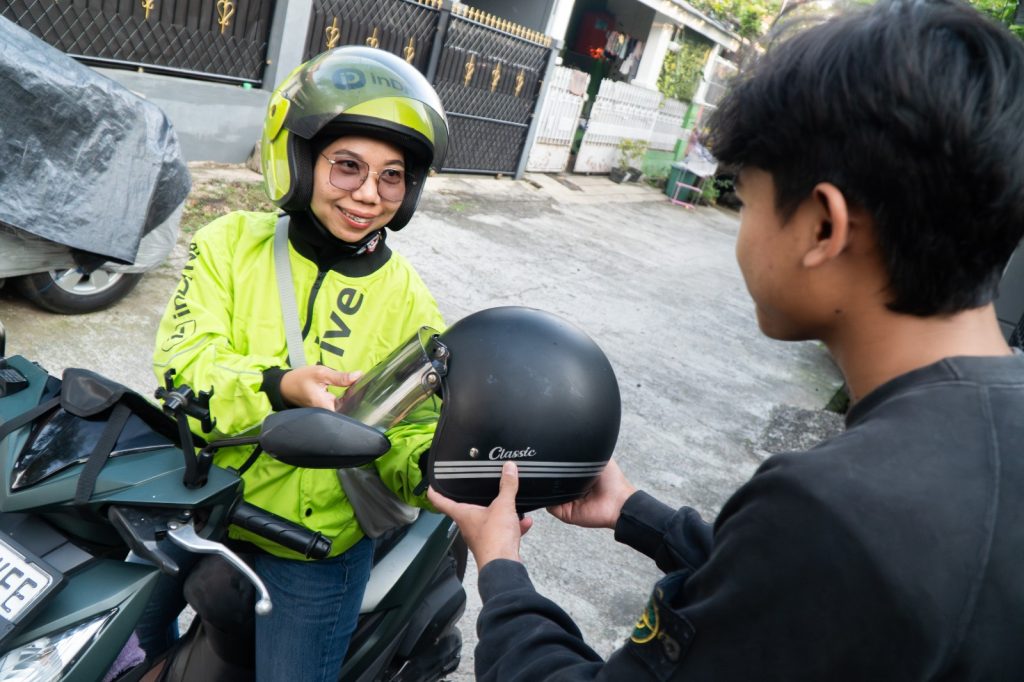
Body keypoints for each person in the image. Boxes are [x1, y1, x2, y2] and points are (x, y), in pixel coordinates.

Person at [427, 0, 1024, 679]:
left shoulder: (827, 510)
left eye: (747, 197)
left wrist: (501, 568)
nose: (741, 232)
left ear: (823, 228)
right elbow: (803, 599)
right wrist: (637, 515)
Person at [146, 46, 448, 681]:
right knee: (119, 648)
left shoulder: (411, 302)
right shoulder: (228, 244)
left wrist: (438, 471)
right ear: (299, 159)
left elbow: (407, 433)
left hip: (312, 550)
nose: (369, 194)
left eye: (392, 175)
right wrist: (276, 387)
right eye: (347, 167)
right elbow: (182, 366)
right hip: (195, 502)